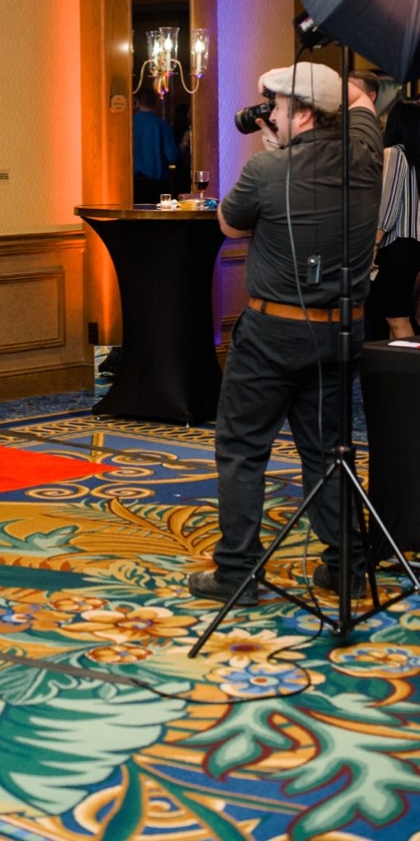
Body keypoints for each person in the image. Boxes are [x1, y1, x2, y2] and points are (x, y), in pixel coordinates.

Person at [188, 61, 382, 606]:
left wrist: (273, 150)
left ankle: (237, 572)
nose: (266, 115)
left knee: (244, 448)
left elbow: (229, 223)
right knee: (328, 450)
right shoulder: (367, 156)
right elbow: (362, 110)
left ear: (300, 114)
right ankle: (345, 566)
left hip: (273, 333)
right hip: (342, 332)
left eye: (275, 106)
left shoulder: (267, 172)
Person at [372, 99, 420, 339]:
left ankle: (410, 373)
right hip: (415, 244)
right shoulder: (415, 157)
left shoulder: (395, 153)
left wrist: (374, 244)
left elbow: (388, 206)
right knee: (402, 314)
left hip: (398, 245)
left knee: (396, 316)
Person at [132, 86, 181, 203]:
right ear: (155, 103)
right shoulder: (162, 125)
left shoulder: (130, 124)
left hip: (133, 185)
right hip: (157, 186)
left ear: (137, 102)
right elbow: (173, 156)